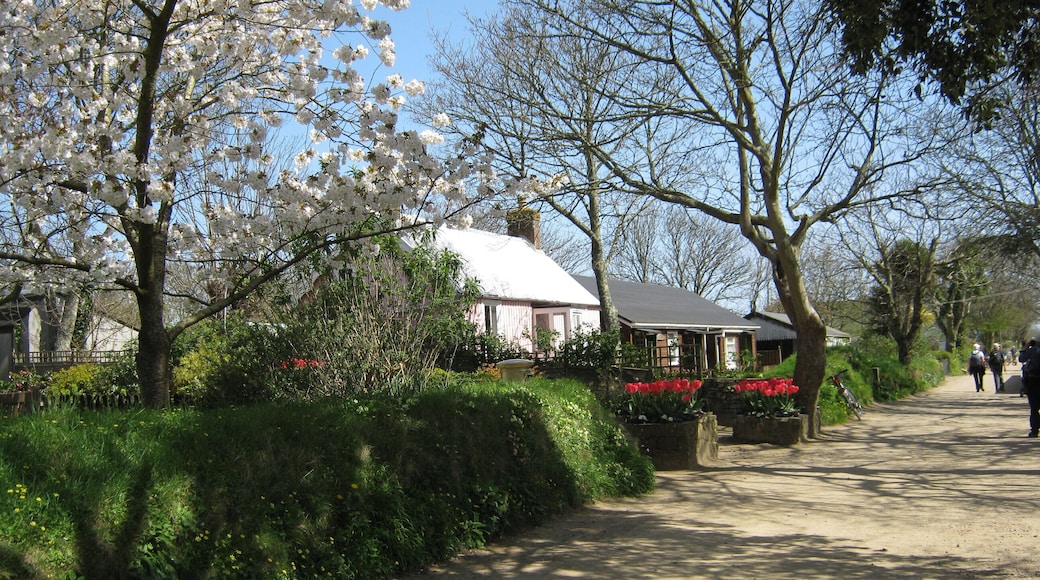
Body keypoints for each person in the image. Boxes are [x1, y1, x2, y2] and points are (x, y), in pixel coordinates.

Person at [1019, 339, 1040, 437]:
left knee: (1034, 407)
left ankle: (1035, 430)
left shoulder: (1033, 350)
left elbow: (1021, 358)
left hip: (1034, 381)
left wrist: (1025, 347)